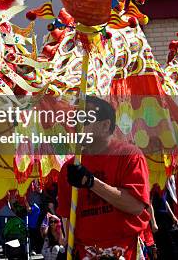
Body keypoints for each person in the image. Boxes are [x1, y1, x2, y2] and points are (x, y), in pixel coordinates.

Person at [57, 96, 150, 260]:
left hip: (125, 249)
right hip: (85, 251)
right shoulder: (69, 168)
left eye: (85, 119)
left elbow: (136, 206)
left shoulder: (129, 156)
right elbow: (67, 215)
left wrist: (91, 182)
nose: (77, 126)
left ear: (105, 125)